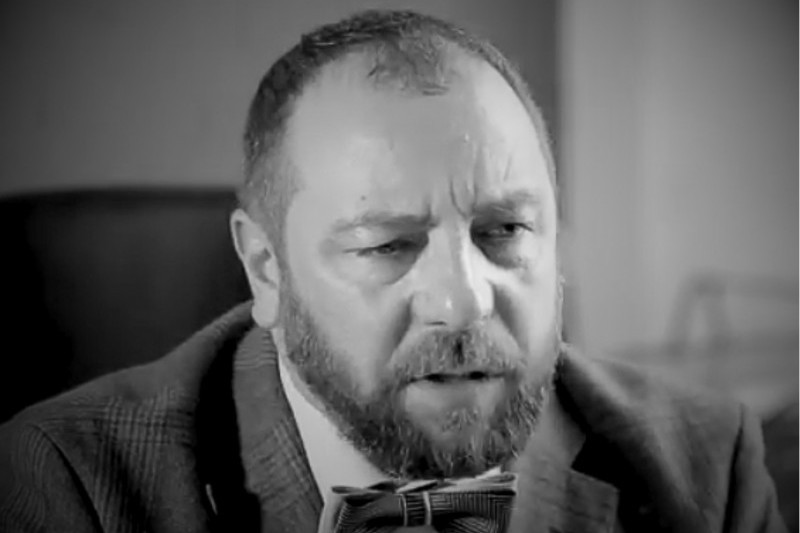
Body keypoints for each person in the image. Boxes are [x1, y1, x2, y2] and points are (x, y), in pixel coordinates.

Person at [0, 9, 786, 533]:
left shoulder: (706, 467)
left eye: (505, 230)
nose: (463, 300)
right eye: (387, 245)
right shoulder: (68, 483)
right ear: (266, 270)